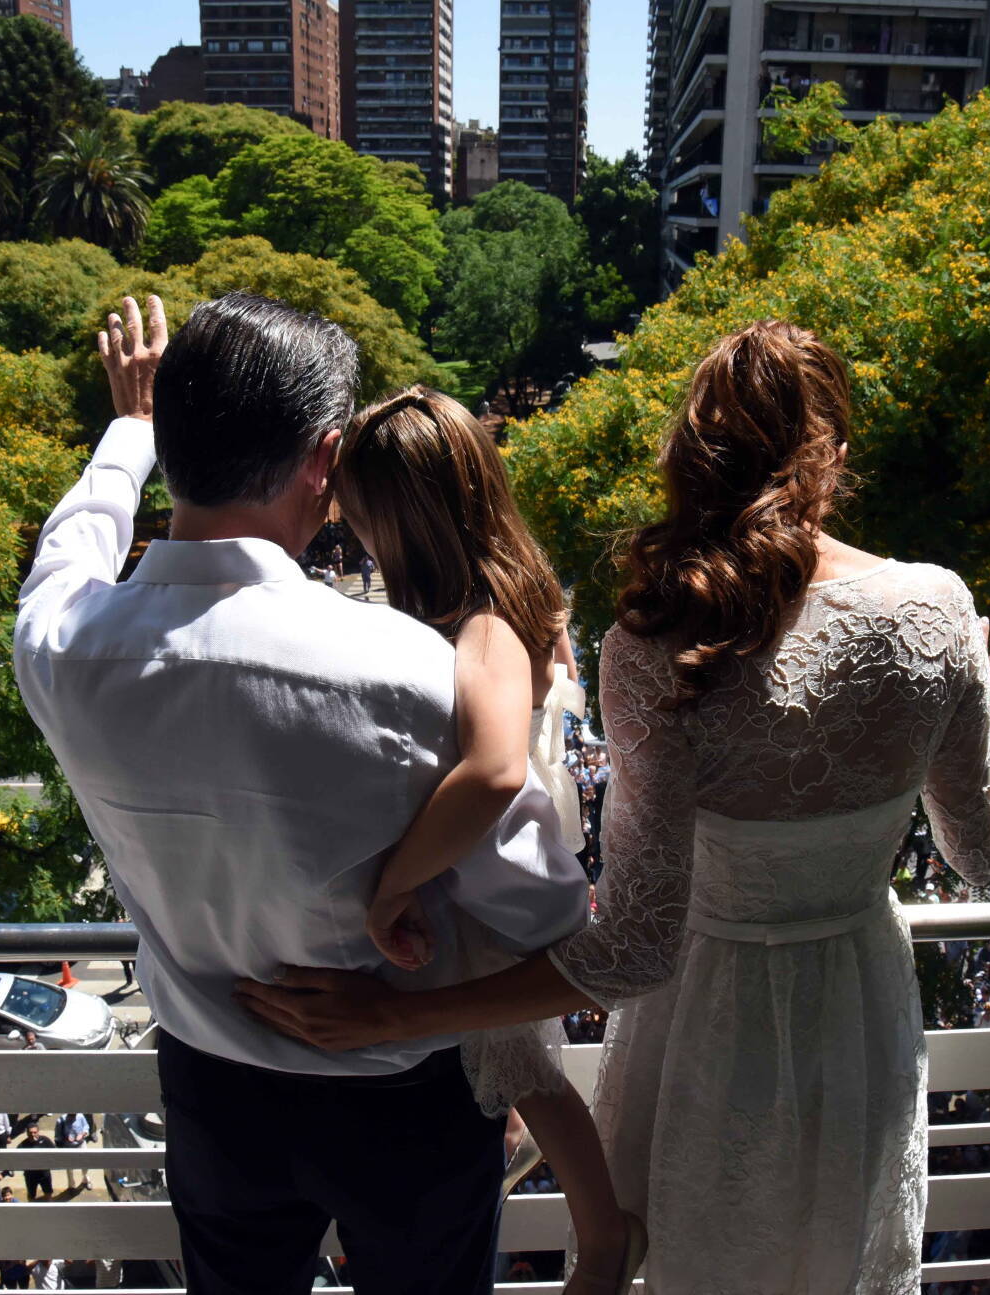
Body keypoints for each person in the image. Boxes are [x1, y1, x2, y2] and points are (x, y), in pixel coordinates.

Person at [236, 320, 990, 1293]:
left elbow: (638, 945)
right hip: (856, 1007)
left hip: (711, 1015)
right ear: (836, 455)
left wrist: (400, 1016)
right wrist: (965, 709)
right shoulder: (938, 611)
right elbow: (978, 853)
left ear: (688, 457)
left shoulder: (660, 639)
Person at [12, 292, 588, 1293]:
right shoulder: (410, 672)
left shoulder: (61, 641)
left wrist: (126, 429)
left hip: (208, 1088)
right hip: (402, 1098)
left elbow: (77, 533)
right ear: (324, 460)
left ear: (176, 438)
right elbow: (548, 921)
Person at [331, 386, 641, 1291]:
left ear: (404, 516)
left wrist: (391, 885)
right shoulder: (512, 592)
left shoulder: (484, 620)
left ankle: (606, 1235)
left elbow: (497, 769)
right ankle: (602, 1228)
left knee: (529, 1071)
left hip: (496, 889)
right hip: (501, 882)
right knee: (522, 1072)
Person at [53, 1112, 90, 1192]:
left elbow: (86, 1126)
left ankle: (85, 1179)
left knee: (86, 1164)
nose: (74, 1116)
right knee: (69, 1169)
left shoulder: (80, 1116)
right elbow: (57, 1137)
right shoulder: (61, 1120)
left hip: (81, 1145)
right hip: (68, 1147)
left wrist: (83, 1134)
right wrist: (66, 1139)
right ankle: (71, 1186)